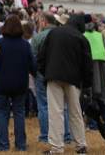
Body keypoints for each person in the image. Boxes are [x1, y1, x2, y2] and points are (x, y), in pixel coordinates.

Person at [37, 13, 92, 155]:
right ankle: (80, 145)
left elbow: (42, 56)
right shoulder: (81, 38)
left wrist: (45, 74)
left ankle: (56, 147)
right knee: (75, 112)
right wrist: (87, 85)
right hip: (73, 78)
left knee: (55, 112)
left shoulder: (54, 33)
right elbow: (87, 65)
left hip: (53, 75)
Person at [0, 15, 36, 152]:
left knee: (2, 113)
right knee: (19, 112)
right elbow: (33, 65)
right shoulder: (25, 44)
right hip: (20, 84)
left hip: (1, 83)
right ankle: (21, 145)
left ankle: (4, 145)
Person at [31, 12, 71, 145]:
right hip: (62, 75)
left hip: (42, 76)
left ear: (43, 22)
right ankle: (66, 135)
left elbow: (33, 59)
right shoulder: (64, 35)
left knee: (43, 107)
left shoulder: (38, 37)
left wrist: (35, 72)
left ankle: (45, 135)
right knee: (63, 106)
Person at [83, 16, 105, 132]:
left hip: (87, 70)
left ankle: (92, 126)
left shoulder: (81, 35)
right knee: (103, 97)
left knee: (89, 97)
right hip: (100, 69)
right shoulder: (99, 35)